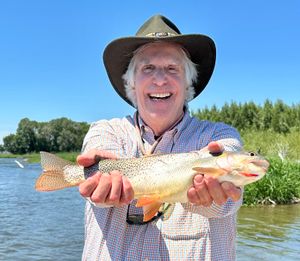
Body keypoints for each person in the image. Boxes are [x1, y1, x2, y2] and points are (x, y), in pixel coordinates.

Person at [77, 14, 243, 260]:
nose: (160, 79)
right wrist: (100, 180)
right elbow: (99, 157)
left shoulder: (218, 137)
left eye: (172, 68)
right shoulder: (106, 131)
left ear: (189, 82)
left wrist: (216, 194)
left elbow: (228, 201)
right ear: (131, 83)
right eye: (148, 68)